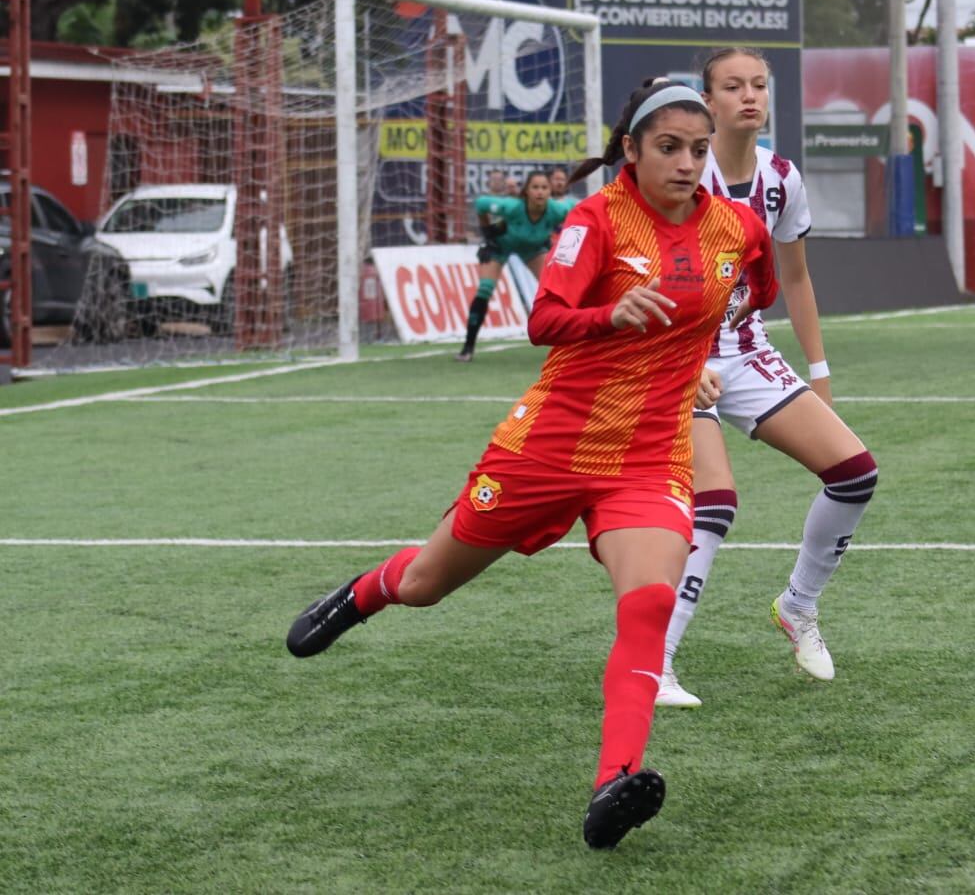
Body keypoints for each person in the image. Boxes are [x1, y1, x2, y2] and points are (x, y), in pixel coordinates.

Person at [285, 80, 779, 850]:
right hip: (547, 448)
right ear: (632, 150)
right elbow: (544, 321)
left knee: (648, 606)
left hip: (648, 456)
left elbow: (757, 287)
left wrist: (704, 352)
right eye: (669, 148)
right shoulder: (597, 219)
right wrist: (611, 315)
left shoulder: (737, 227)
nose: (687, 163)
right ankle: (362, 594)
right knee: (426, 584)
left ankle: (615, 782)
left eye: (698, 149)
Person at [655, 47, 879, 709]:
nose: (749, 95)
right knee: (715, 503)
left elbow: (798, 279)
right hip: (677, 355)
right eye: (732, 86)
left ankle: (798, 605)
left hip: (746, 352)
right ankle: (657, 661)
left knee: (855, 472)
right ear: (708, 100)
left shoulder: (781, 179)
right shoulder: (682, 177)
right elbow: (648, 272)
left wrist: (820, 372)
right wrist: (685, 358)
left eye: (758, 84)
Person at [456, 169, 573, 362]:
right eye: (535, 187)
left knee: (556, 291)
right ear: (526, 191)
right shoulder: (513, 207)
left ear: (550, 191)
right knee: (485, 288)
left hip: (534, 248)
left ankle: (567, 346)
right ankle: (467, 348)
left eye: (544, 187)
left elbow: (581, 210)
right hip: (502, 245)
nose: (540, 192)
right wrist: (488, 233)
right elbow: (480, 204)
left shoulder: (557, 210)